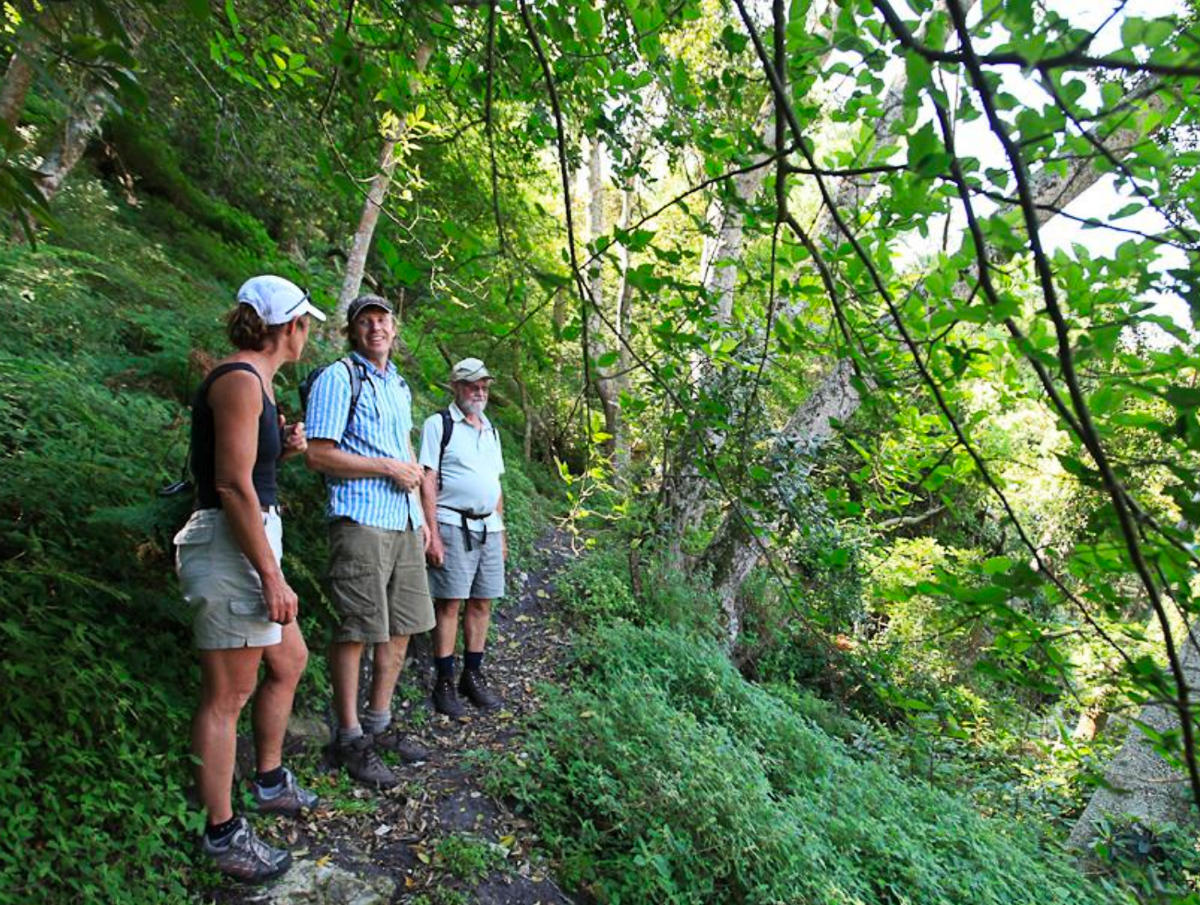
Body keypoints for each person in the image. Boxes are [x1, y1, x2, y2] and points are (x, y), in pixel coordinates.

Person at [174, 275, 325, 884]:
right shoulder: (239, 381)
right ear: (289, 328)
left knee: (289, 661)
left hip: (252, 541)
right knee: (226, 698)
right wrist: (271, 577)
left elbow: (248, 472)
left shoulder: (257, 384)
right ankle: (222, 832)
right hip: (234, 551)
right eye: (304, 324)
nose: (307, 334)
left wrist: (282, 451)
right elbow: (231, 486)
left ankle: (266, 780)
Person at [304, 294, 434, 789]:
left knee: (402, 626)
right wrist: (385, 468)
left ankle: (379, 724)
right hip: (359, 520)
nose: (376, 328)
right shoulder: (340, 378)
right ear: (352, 331)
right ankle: (349, 736)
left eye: (383, 319)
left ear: (394, 328)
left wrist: (421, 516)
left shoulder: (397, 385)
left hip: (401, 523)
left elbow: (405, 454)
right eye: (366, 321)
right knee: (355, 630)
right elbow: (318, 455)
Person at [418, 358, 507, 718]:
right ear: (456, 387)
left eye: (484, 385)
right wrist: (432, 534)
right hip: (452, 524)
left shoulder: (491, 429)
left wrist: (502, 533)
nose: (479, 391)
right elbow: (427, 479)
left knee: (482, 602)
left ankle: (473, 674)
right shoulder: (439, 425)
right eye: (472, 385)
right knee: (450, 603)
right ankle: (444, 681)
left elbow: (495, 484)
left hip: (489, 527)